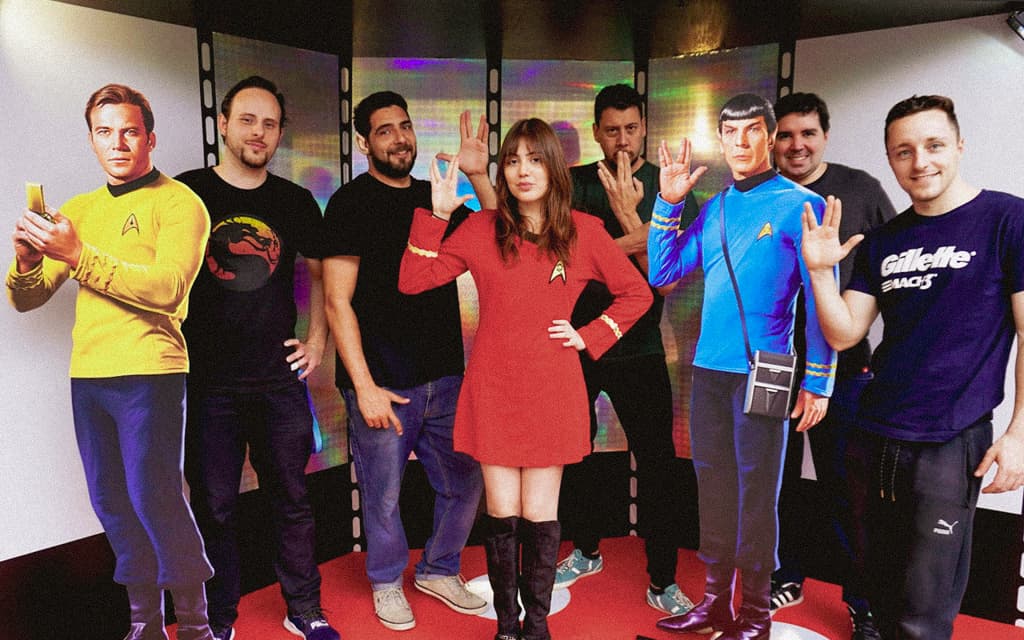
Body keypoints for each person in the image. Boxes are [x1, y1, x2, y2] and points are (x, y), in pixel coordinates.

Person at [399, 117, 653, 640]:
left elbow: (637, 293)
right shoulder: (480, 228)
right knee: (501, 515)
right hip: (493, 389)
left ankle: (537, 628)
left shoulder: (584, 230)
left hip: (553, 389)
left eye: (535, 160)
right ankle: (507, 627)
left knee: (540, 515)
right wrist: (437, 215)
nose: (522, 170)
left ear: (554, 168)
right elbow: (413, 281)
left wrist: (590, 335)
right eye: (512, 160)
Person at [800, 94, 1024, 640]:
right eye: (904, 151)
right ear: (890, 159)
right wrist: (821, 273)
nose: (920, 161)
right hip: (873, 435)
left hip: (949, 441)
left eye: (934, 145)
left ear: (960, 146)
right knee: (878, 591)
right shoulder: (885, 239)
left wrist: (1019, 434)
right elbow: (845, 332)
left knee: (924, 608)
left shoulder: (1007, 219)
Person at [6, 84, 215, 640]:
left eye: (129, 132)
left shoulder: (180, 203)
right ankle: (145, 624)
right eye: (105, 132)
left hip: (151, 371)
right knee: (112, 503)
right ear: (92, 141)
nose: (117, 143)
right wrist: (26, 262)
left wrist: (78, 254)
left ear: (150, 138)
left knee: (156, 498)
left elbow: (168, 289)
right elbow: (29, 298)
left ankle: (196, 627)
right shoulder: (79, 210)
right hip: (89, 376)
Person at [648, 93, 836, 640]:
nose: (740, 142)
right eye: (730, 132)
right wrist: (668, 203)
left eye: (752, 130)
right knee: (713, 489)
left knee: (757, 495)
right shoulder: (716, 207)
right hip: (709, 370)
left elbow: (822, 299)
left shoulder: (803, 205)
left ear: (771, 136)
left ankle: (755, 614)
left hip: (767, 370)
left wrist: (818, 381)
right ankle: (713, 604)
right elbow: (663, 274)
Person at [321, 92, 494, 632]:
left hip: (445, 376)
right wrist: (364, 386)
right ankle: (386, 581)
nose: (399, 139)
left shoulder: (435, 196)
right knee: (384, 494)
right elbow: (336, 301)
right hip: (382, 382)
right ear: (363, 142)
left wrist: (479, 175)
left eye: (404, 126)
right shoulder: (349, 203)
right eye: (384, 130)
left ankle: (439, 569)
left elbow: (501, 236)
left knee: (465, 482)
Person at [176, 76, 338, 640]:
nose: (258, 132)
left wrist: (317, 341)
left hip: (278, 382)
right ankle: (216, 618)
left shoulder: (294, 201)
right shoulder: (186, 194)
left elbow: (322, 272)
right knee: (214, 507)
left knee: (292, 500)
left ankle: (305, 608)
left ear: (279, 134)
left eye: (269, 124)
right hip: (208, 385)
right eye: (247, 120)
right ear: (223, 124)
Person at [556, 83, 700, 615]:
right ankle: (585, 550)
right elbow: (553, 261)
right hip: (576, 343)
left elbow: (666, 278)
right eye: (612, 130)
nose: (623, 139)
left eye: (632, 128)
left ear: (644, 128)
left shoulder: (670, 185)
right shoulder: (570, 185)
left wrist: (622, 224)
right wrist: (637, 238)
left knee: (658, 464)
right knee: (574, 453)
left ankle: (662, 581)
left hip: (639, 344)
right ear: (596, 131)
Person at [769, 92, 895, 640]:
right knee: (773, 481)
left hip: (844, 367)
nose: (796, 145)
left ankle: (863, 603)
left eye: (808, 133)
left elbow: (894, 267)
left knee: (849, 489)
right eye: (786, 135)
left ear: (824, 136)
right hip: (772, 364)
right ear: (771, 141)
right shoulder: (758, 194)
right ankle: (783, 575)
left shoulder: (860, 189)